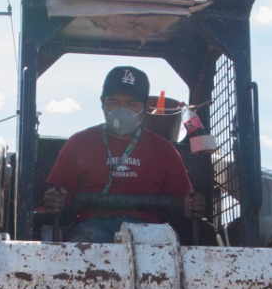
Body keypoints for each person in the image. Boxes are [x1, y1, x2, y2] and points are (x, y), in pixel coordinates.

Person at [40, 65, 206, 242]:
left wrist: (191, 205)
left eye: (131, 103)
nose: (122, 109)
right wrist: (53, 200)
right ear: (103, 103)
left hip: (151, 232)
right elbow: (58, 195)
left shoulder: (164, 149)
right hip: (92, 229)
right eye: (114, 102)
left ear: (145, 106)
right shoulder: (78, 143)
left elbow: (182, 199)